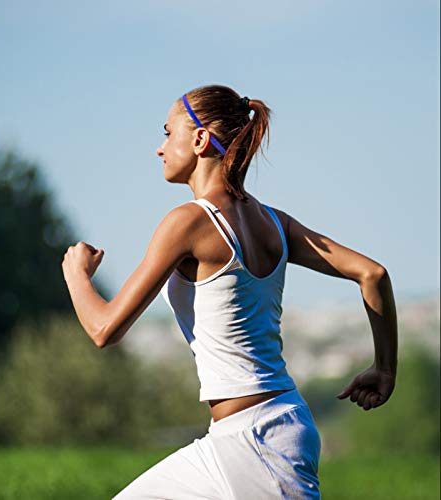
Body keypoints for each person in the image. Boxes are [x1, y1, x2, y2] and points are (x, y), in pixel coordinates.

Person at [62, 84, 398, 499]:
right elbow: (373, 274)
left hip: (258, 442)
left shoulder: (187, 222)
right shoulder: (276, 223)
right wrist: (385, 369)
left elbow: (104, 329)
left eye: (168, 133)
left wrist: (76, 275)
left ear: (200, 140)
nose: (160, 148)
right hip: (249, 431)